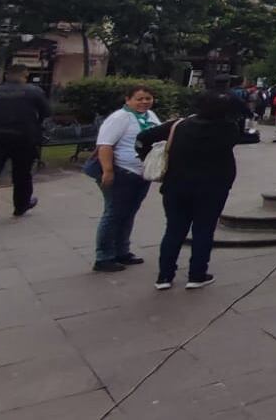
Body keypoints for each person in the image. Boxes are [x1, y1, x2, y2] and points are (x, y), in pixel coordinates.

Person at [138, 91, 245, 290]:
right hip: (212, 188)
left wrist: (146, 156)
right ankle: (197, 274)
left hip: (177, 185)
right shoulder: (229, 129)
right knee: (204, 230)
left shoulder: (179, 125)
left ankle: (164, 276)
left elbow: (143, 138)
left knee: (174, 230)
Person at [90, 85, 162, 272]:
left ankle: (122, 251)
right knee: (114, 214)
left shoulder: (150, 116)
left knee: (129, 213)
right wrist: (108, 171)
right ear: (128, 100)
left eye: (148, 98)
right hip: (122, 172)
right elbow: (105, 145)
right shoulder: (120, 118)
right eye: (139, 99)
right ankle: (104, 256)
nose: (144, 102)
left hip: (141, 174)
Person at [0, 65, 50, 226]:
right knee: (22, 174)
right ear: (25, 75)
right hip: (24, 138)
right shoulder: (34, 92)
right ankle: (21, 206)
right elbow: (46, 112)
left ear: (7, 76)